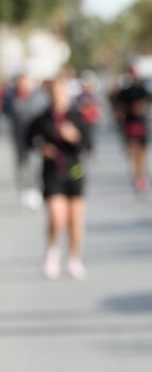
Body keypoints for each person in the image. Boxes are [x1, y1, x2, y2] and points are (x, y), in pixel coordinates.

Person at [25, 76, 93, 279]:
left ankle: (74, 259)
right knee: (57, 218)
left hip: (75, 172)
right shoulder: (42, 118)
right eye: (54, 93)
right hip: (52, 173)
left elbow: (88, 145)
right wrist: (41, 148)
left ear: (67, 95)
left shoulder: (77, 117)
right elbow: (29, 140)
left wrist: (75, 137)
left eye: (62, 93)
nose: (58, 97)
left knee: (75, 220)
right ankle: (52, 253)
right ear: (49, 95)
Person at [3, 72, 49, 210]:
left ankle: (36, 189)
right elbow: (7, 112)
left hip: (36, 137)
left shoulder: (39, 97)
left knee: (36, 162)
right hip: (19, 136)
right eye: (20, 83)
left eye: (25, 82)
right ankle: (24, 190)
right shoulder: (11, 97)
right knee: (21, 163)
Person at [113, 65, 151, 193]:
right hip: (130, 124)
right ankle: (136, 176)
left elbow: (149, 103)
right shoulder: (125, 91)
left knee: (142, 152)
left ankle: (141, 174)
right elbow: (118, 105)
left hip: (141, 123)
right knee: (132, 152)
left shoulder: (143, 88)